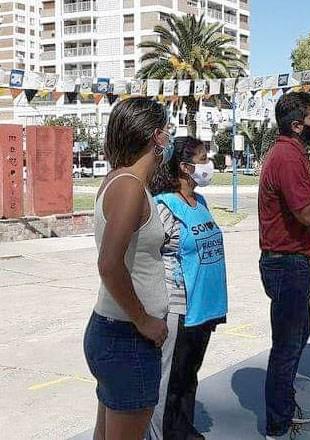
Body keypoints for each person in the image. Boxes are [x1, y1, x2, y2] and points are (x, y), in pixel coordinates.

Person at [83, 97, 171, 439]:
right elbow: (109, 264)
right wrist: (144, 319)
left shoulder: (121, 181)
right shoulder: (129, 187)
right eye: (166, 129)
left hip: (117, 335)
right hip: (127, 337)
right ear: (156, 136)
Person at [258, 92, 310, 438]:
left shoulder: (293, 153)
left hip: (292, 260)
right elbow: (305, 212)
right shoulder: (288, 157)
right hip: (286, 264)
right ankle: (278, 424)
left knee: (297, 335)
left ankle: (284, 405)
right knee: (288, 344)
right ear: (296, 125)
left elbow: (302, 209)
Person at [148, 136, 228, 440]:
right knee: (169, 381)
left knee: (188, 376)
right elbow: (147, 257)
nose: (209, 165)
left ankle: (183, 430)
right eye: (203, 158)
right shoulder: (164, 207)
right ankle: (162, 434)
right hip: (178, 307)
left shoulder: (201, 202)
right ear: (184, 167)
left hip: (204, 308)